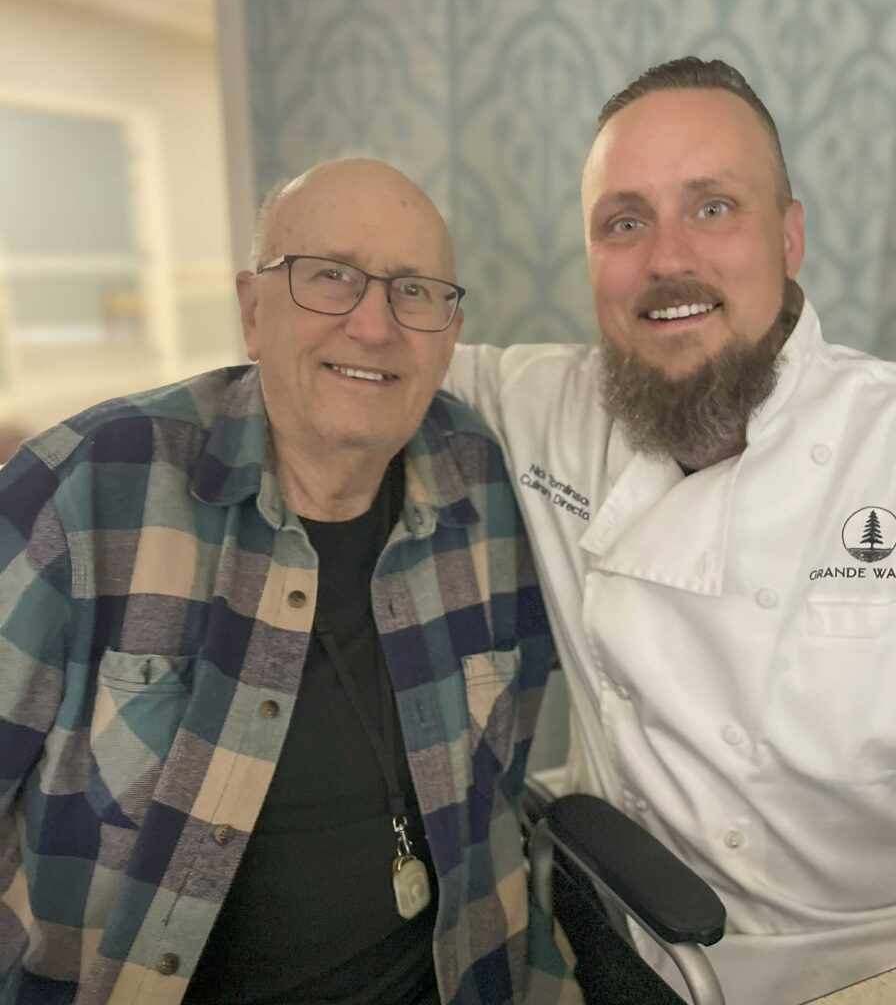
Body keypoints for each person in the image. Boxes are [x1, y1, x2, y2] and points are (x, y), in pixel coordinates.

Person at [445, 57, 896, 1005]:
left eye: (713, 207)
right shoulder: (545, 405)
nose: (668, 257)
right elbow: (376, 358)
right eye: (624, 222)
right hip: (655, 951)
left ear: (788, 236)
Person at [0, 158, 580, 1005]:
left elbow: (502, 784)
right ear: (252, 311)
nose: (375, 325)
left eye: (415, 291)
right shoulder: (83, 494)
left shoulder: (483, 490)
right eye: (331, 277)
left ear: (450, 334)